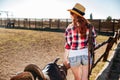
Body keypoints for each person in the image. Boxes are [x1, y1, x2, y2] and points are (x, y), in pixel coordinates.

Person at [63, 3, 96, 80]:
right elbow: (93, 43)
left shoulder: (70, 28)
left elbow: (68, 45)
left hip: (73, 56)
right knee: (85, 78)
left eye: (71, 13)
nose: (70, 15)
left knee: (77, 78)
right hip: (86, 55)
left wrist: (65, 59)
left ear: (74, 14)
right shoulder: (90, 27)